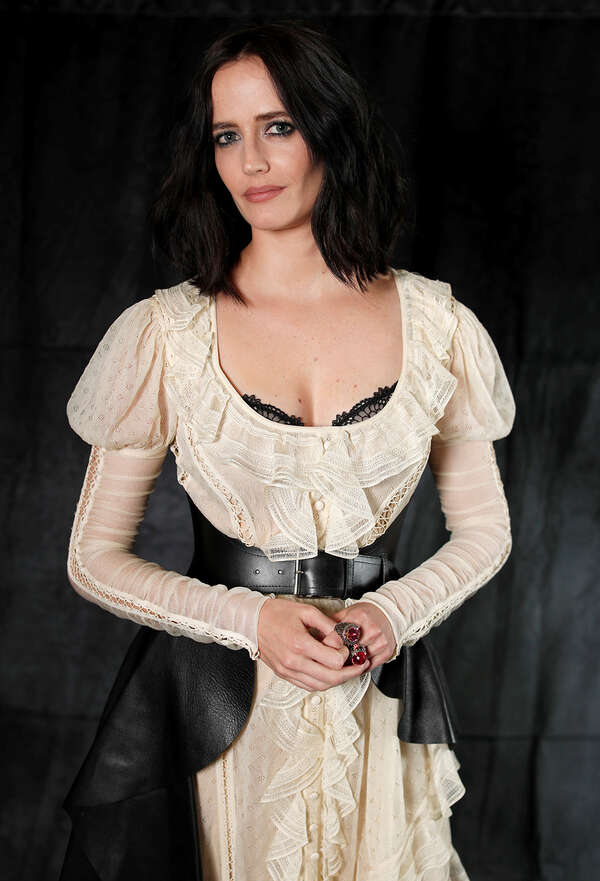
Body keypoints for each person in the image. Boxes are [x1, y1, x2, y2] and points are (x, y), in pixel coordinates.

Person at [59, 18, 516, 881]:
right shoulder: (166, 334)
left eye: (278, 126)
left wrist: (393, 614)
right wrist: (250, 620)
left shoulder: (438, 326)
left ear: (330, 132)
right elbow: (93, 557)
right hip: (218, 717)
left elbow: (486, 529)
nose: (252, 162)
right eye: (226, 136)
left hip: (371, 698)